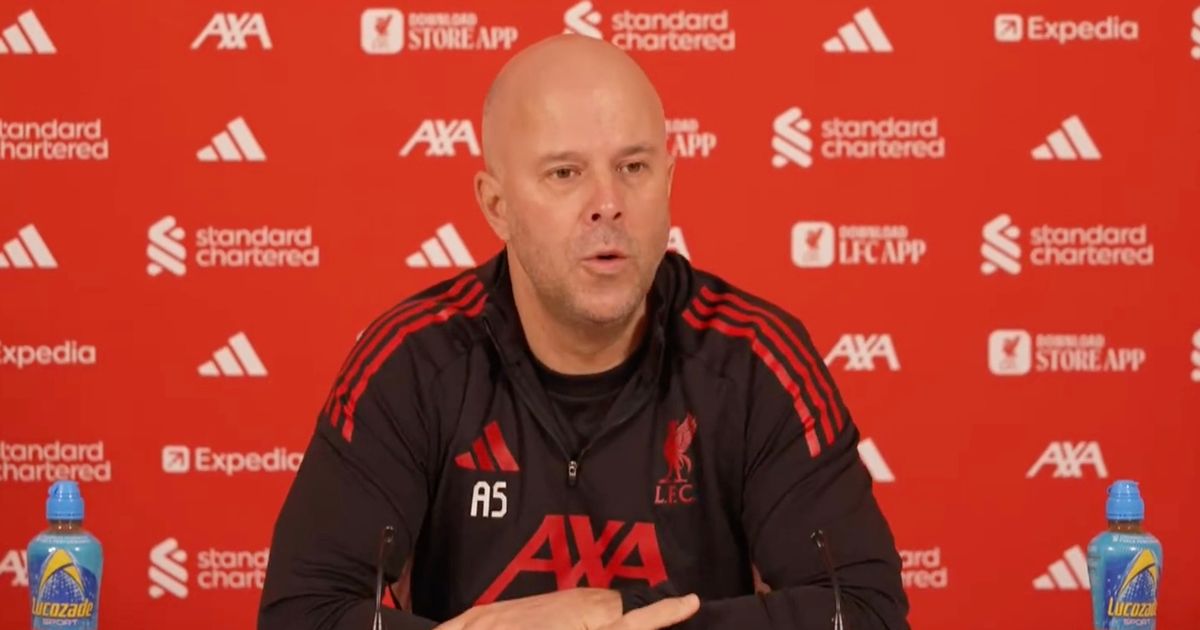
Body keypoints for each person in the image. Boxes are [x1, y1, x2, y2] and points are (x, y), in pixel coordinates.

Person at [259, 34, 909, 630]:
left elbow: (865, 611)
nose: (608, 203)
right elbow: (301, 613)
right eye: (564, 173)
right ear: (496, 205)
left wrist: (609, 617)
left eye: (633, 167)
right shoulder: (414, 361)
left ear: (669, 182)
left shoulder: (754, 359)